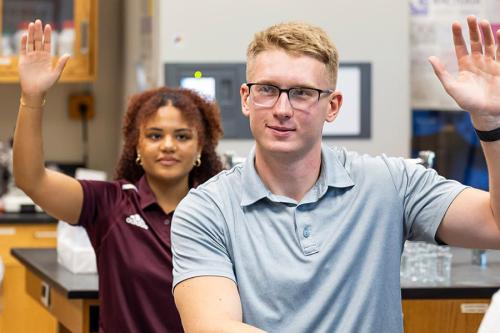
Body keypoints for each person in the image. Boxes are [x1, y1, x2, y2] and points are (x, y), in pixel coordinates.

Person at [171, 16, 500, 332]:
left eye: (302, 93)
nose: (282, 109)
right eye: (268, 89)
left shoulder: (391, 184)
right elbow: (210, 326)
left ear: (333, 106)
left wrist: (489, 124)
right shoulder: (206, 211)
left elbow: (495, 226)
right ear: (247, 98)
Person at [13, 19, 223, 333]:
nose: (167, 145)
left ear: (200, 149)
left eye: (181, 136)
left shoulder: (217, 211)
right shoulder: (111, 204)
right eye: (154, 136)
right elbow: (32, 179)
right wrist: (32, 97)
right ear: (136, 146)